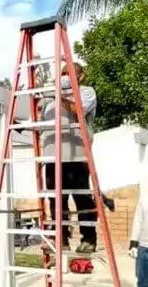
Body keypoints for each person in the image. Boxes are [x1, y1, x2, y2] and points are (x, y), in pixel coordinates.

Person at [40, 63, 104, 254]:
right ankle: (61, 238)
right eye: (63, 73)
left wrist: (60, 94)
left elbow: (76, 109)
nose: (65, 76)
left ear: (81, 76)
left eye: (69, 74)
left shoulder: (86, 91)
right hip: (52, 155)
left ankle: (88, 238)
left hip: (76, 154)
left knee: (82, 197)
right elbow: (40, 119)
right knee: (56, 200)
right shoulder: (49, 97)